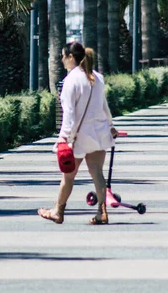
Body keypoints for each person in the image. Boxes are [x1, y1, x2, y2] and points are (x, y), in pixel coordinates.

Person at [38, 42, 117, 225]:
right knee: (97, 172)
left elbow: (69, 115)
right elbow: (104, 106)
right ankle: (101, 212)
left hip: (80, 137)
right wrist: (111, 125)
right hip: (99, 133)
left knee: (68, 176)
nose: (62, 60)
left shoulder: (70, 81)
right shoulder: (97, 77)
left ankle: (58, 210)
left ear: (71, 57)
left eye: (63, 56)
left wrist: (64, 137)